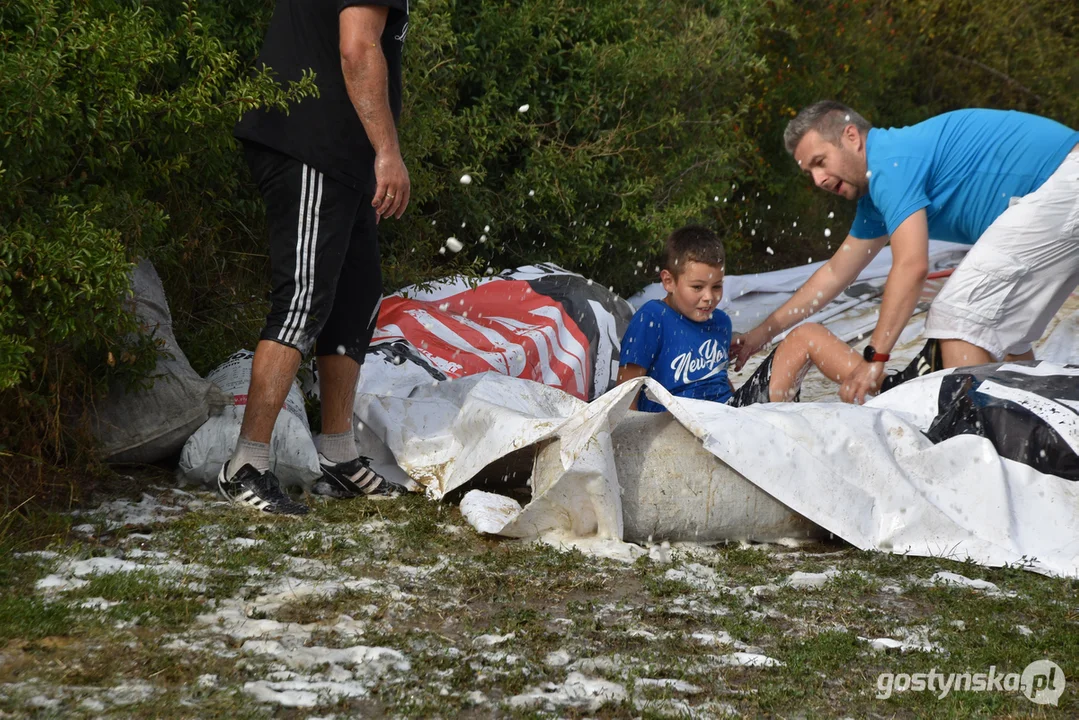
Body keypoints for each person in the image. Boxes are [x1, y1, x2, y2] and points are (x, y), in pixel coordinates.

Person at [733, 101, 1079, 404]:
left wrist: (875, 356)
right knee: (1005, 333)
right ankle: (1034, 420)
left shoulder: (890, 163)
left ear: (851, 137)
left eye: (821, 162)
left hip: (1066, 181)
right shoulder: (876, 199)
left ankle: (976, 444)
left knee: (958, 317)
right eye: (810, 172)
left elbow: (912, 266)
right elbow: (835, 273)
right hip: (1061, 190)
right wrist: (761, 334)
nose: (819, 180)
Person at [221, 0, 412, 515]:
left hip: (344, 156)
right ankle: (247, 463)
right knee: (302, 299)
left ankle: (338, 457)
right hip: (312, 143)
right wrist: (388, 152)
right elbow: (356, 47)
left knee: (354, 300)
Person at [616, 226, 885, 410]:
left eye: (717, 287)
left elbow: (717, 381)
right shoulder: (652, 318)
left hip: (730, 420)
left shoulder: (720, 322)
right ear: (668, 281)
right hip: (678, 430)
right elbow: (625, 393)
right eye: (697, 287)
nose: (709, 297)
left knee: (808, 335)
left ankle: (884, 385)